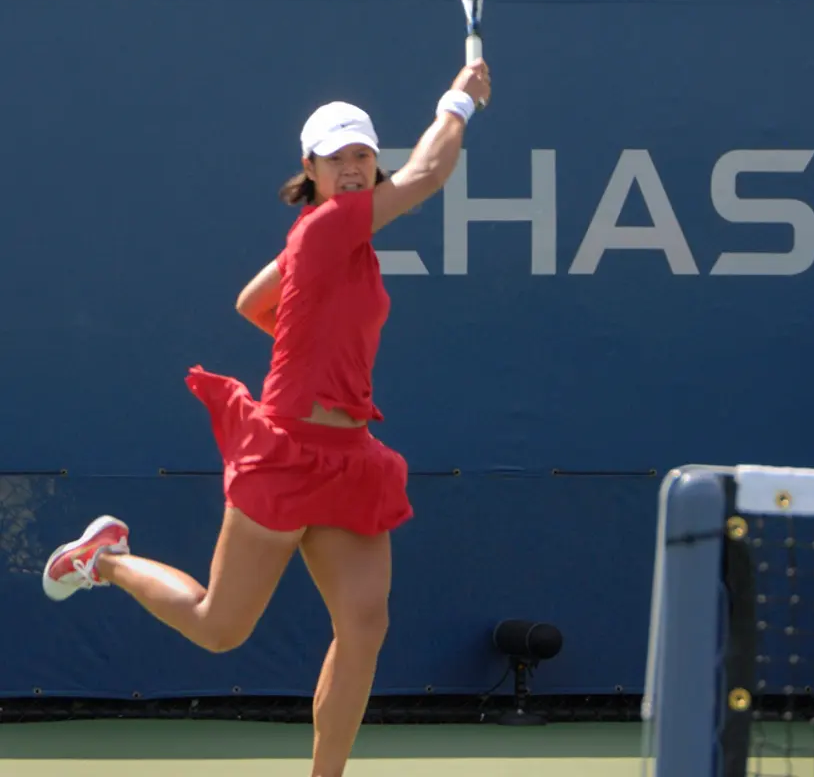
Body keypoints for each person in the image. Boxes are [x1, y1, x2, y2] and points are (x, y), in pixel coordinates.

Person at [40, 59, 492, 776]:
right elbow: (430, 174)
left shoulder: (343, 246)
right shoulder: (321, 231)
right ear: (308, 168)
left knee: (365, 626)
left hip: (350, 461)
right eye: (336, 157)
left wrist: (310, 353)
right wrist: (459, 103)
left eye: (363, 156)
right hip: (285, 452)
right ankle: (110, 561)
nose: (352, 168)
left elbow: (255, 303)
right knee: (221, 629)